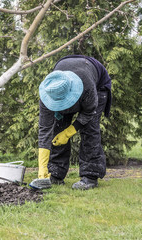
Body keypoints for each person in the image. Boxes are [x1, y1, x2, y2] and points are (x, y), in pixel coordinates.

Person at [29, 55, 111, 190]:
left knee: (89, 129)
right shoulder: (49, 90)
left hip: (97, 85)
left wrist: (69, 132)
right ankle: (55, 173)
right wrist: (42, 167)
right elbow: (45, 129)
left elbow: (89, 112)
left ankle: (90, 176)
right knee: (58, 127)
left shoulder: (87, 86)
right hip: (72, 75)